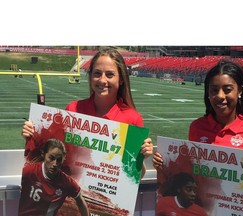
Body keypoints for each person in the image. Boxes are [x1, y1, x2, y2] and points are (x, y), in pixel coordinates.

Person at [153, 60, 243, 191]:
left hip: (239, 208)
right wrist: (164, 163)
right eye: (214, 90)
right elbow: (192, 171)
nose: (220, 96)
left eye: (227, 90)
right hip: (205, 207)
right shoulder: (197, 127)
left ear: (240, 91)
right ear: (208, 93)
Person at [22, 47, 153, 178]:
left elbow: (135, 177)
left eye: (109, 74)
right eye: (97, 73)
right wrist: (33, 135)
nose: (102, 80)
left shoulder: (132, 118)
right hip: (72, 193)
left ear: (122, 79)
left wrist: (141, 157)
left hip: (107, 196)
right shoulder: (73, 110)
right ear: (90, 76)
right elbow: (54, 155)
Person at [18, 138, 89, 216]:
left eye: (59, 160)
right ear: (43, 155)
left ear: (63, 159)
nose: (55, 164)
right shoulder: (29, 171)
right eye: (51, 158)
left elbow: (80, 201)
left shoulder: (66, 182)